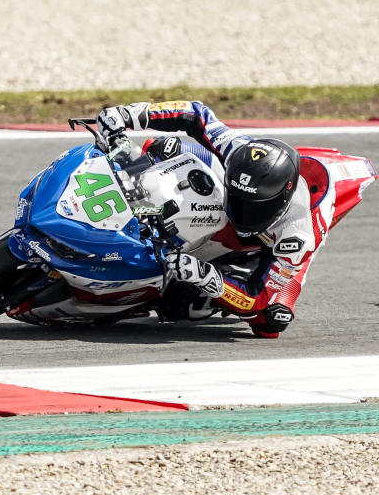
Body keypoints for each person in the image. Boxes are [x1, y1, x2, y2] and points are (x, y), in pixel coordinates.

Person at [97, 100, 332, 339]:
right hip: (248, 180)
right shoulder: (238, 149)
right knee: (161, 148)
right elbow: (195, 114)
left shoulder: (297, 235)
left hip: (293, 231)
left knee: (271, 319)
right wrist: (129, 115)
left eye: (252, 208)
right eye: (238, 201)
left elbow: (258, 298)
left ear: (279, 201)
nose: (241, 212)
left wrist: (207, 276)